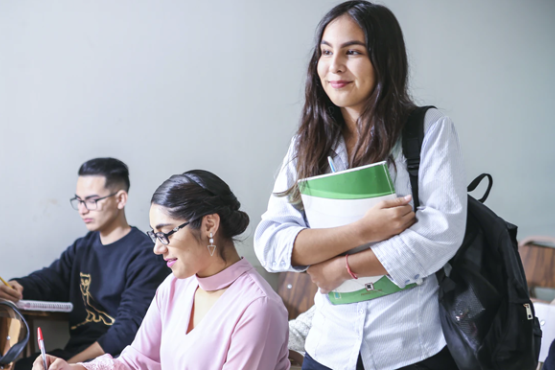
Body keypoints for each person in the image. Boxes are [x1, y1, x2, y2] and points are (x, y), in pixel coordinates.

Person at [254, 1, 467, 369]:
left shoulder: (427, 130)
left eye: (352, 52)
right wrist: (362, 231)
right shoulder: (307, 142)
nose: (334, 66)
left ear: (384, 60)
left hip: (409, 344)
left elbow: (440, 234)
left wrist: (341, 268)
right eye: (325, 52)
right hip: (329, 345)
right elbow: (271, 242)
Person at [33, 170, 290, 370]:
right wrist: (75, 367)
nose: (157, 248)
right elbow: (137, 362)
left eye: (166, 233)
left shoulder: (257, 307)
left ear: (209, 224)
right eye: (154, 235)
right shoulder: (174, 286)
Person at [0, 158, 170, 369]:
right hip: (76, 353)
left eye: (91, 200)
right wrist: (15, 287)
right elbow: (50, 280)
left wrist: (72, 365)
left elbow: (128, 331)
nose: (82, 210)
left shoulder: (146, 254)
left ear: (120, 199)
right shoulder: (83, 247)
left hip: (118, 359)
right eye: (79, 201)